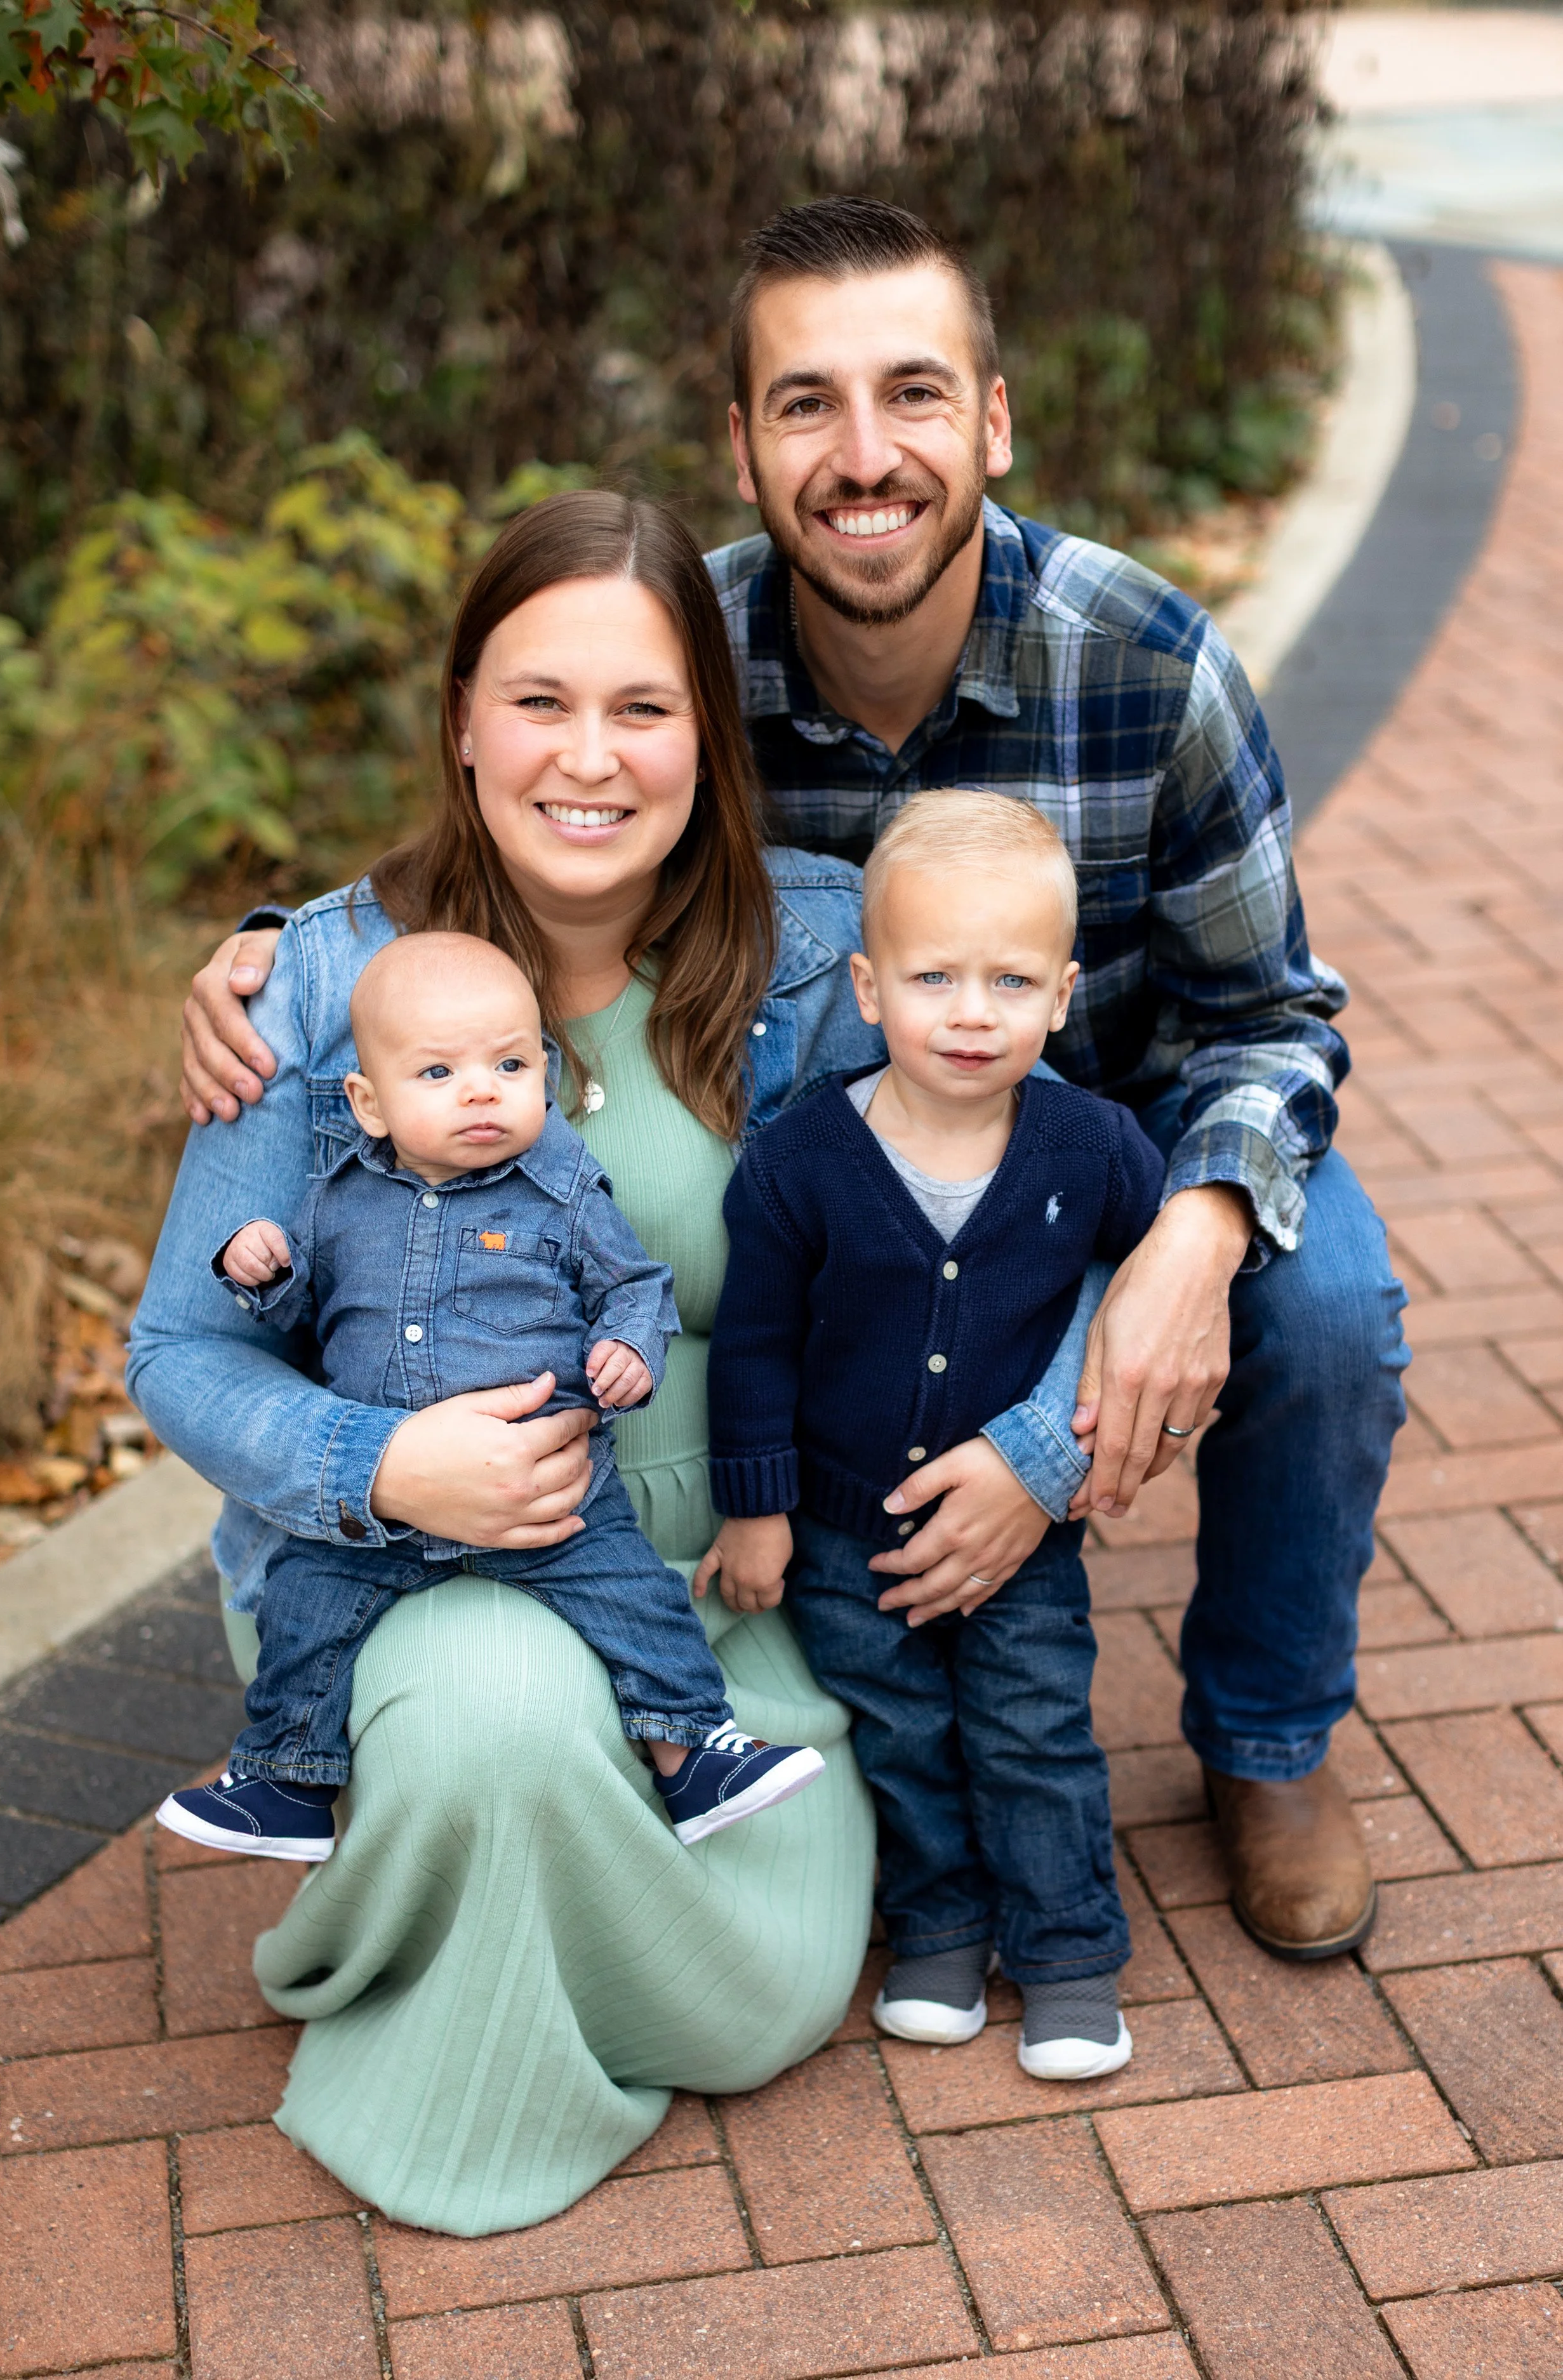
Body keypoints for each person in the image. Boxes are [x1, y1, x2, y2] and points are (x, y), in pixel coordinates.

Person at [178, 195, 1410, 1962]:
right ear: (739, 445)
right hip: (866, 1146)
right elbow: (522, 818)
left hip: (1120, 1126)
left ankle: (1265, 1737)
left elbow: (1274, 1016)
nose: (862, 454)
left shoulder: (1146, 663)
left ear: (991, 419)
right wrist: (279, 949)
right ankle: (840, 1633)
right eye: (804, 403)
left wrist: (1196, 1228)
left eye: (911, 394)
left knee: (1335, 1307)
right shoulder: (698, 663)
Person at [129, 489, 1091, 2234]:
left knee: (766, 1990)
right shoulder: (323, 983)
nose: (592, 757)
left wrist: (1047, 1430)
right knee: (495, 1718)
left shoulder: (811, 956)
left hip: (735, 1592)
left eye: (644, 706)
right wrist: (373, 1460)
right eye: (540, 700)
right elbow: (183, 1345)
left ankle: (547, 1880)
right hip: (417, 1566)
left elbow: (1035, 1198)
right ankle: (428, 1896)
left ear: (706, 739)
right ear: (461, 723)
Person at [156, 930, 822, 1863]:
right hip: (384, 1512)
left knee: (635, 1601)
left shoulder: (562, 1190)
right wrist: (256, 1263)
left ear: (543, 1075)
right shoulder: (339, 1196)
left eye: (509, 1062)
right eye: (438, 1072)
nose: (480, 1088)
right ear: (368, 1103)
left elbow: (633, 1284)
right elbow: (296, 1299)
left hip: (554, 1501)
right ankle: (285, 1779)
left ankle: (694, 1751)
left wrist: (629, 1344)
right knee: (304, 1607)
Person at [702, 791, 1166, 2079]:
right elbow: (751, 1345)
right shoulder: (798, 1162)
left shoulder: (1092, 1146)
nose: (970, 1012)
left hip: (1022, 1541)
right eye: (933, 977)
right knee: (901, 1739)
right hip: (846, 1534)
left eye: (1010, 980)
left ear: (1063, 996)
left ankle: (1068, 1956)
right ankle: (941, 1936)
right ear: (865, 987)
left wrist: (1085, 1442)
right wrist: (756, 1510)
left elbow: (1155, 1279)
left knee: (1029, 1732)